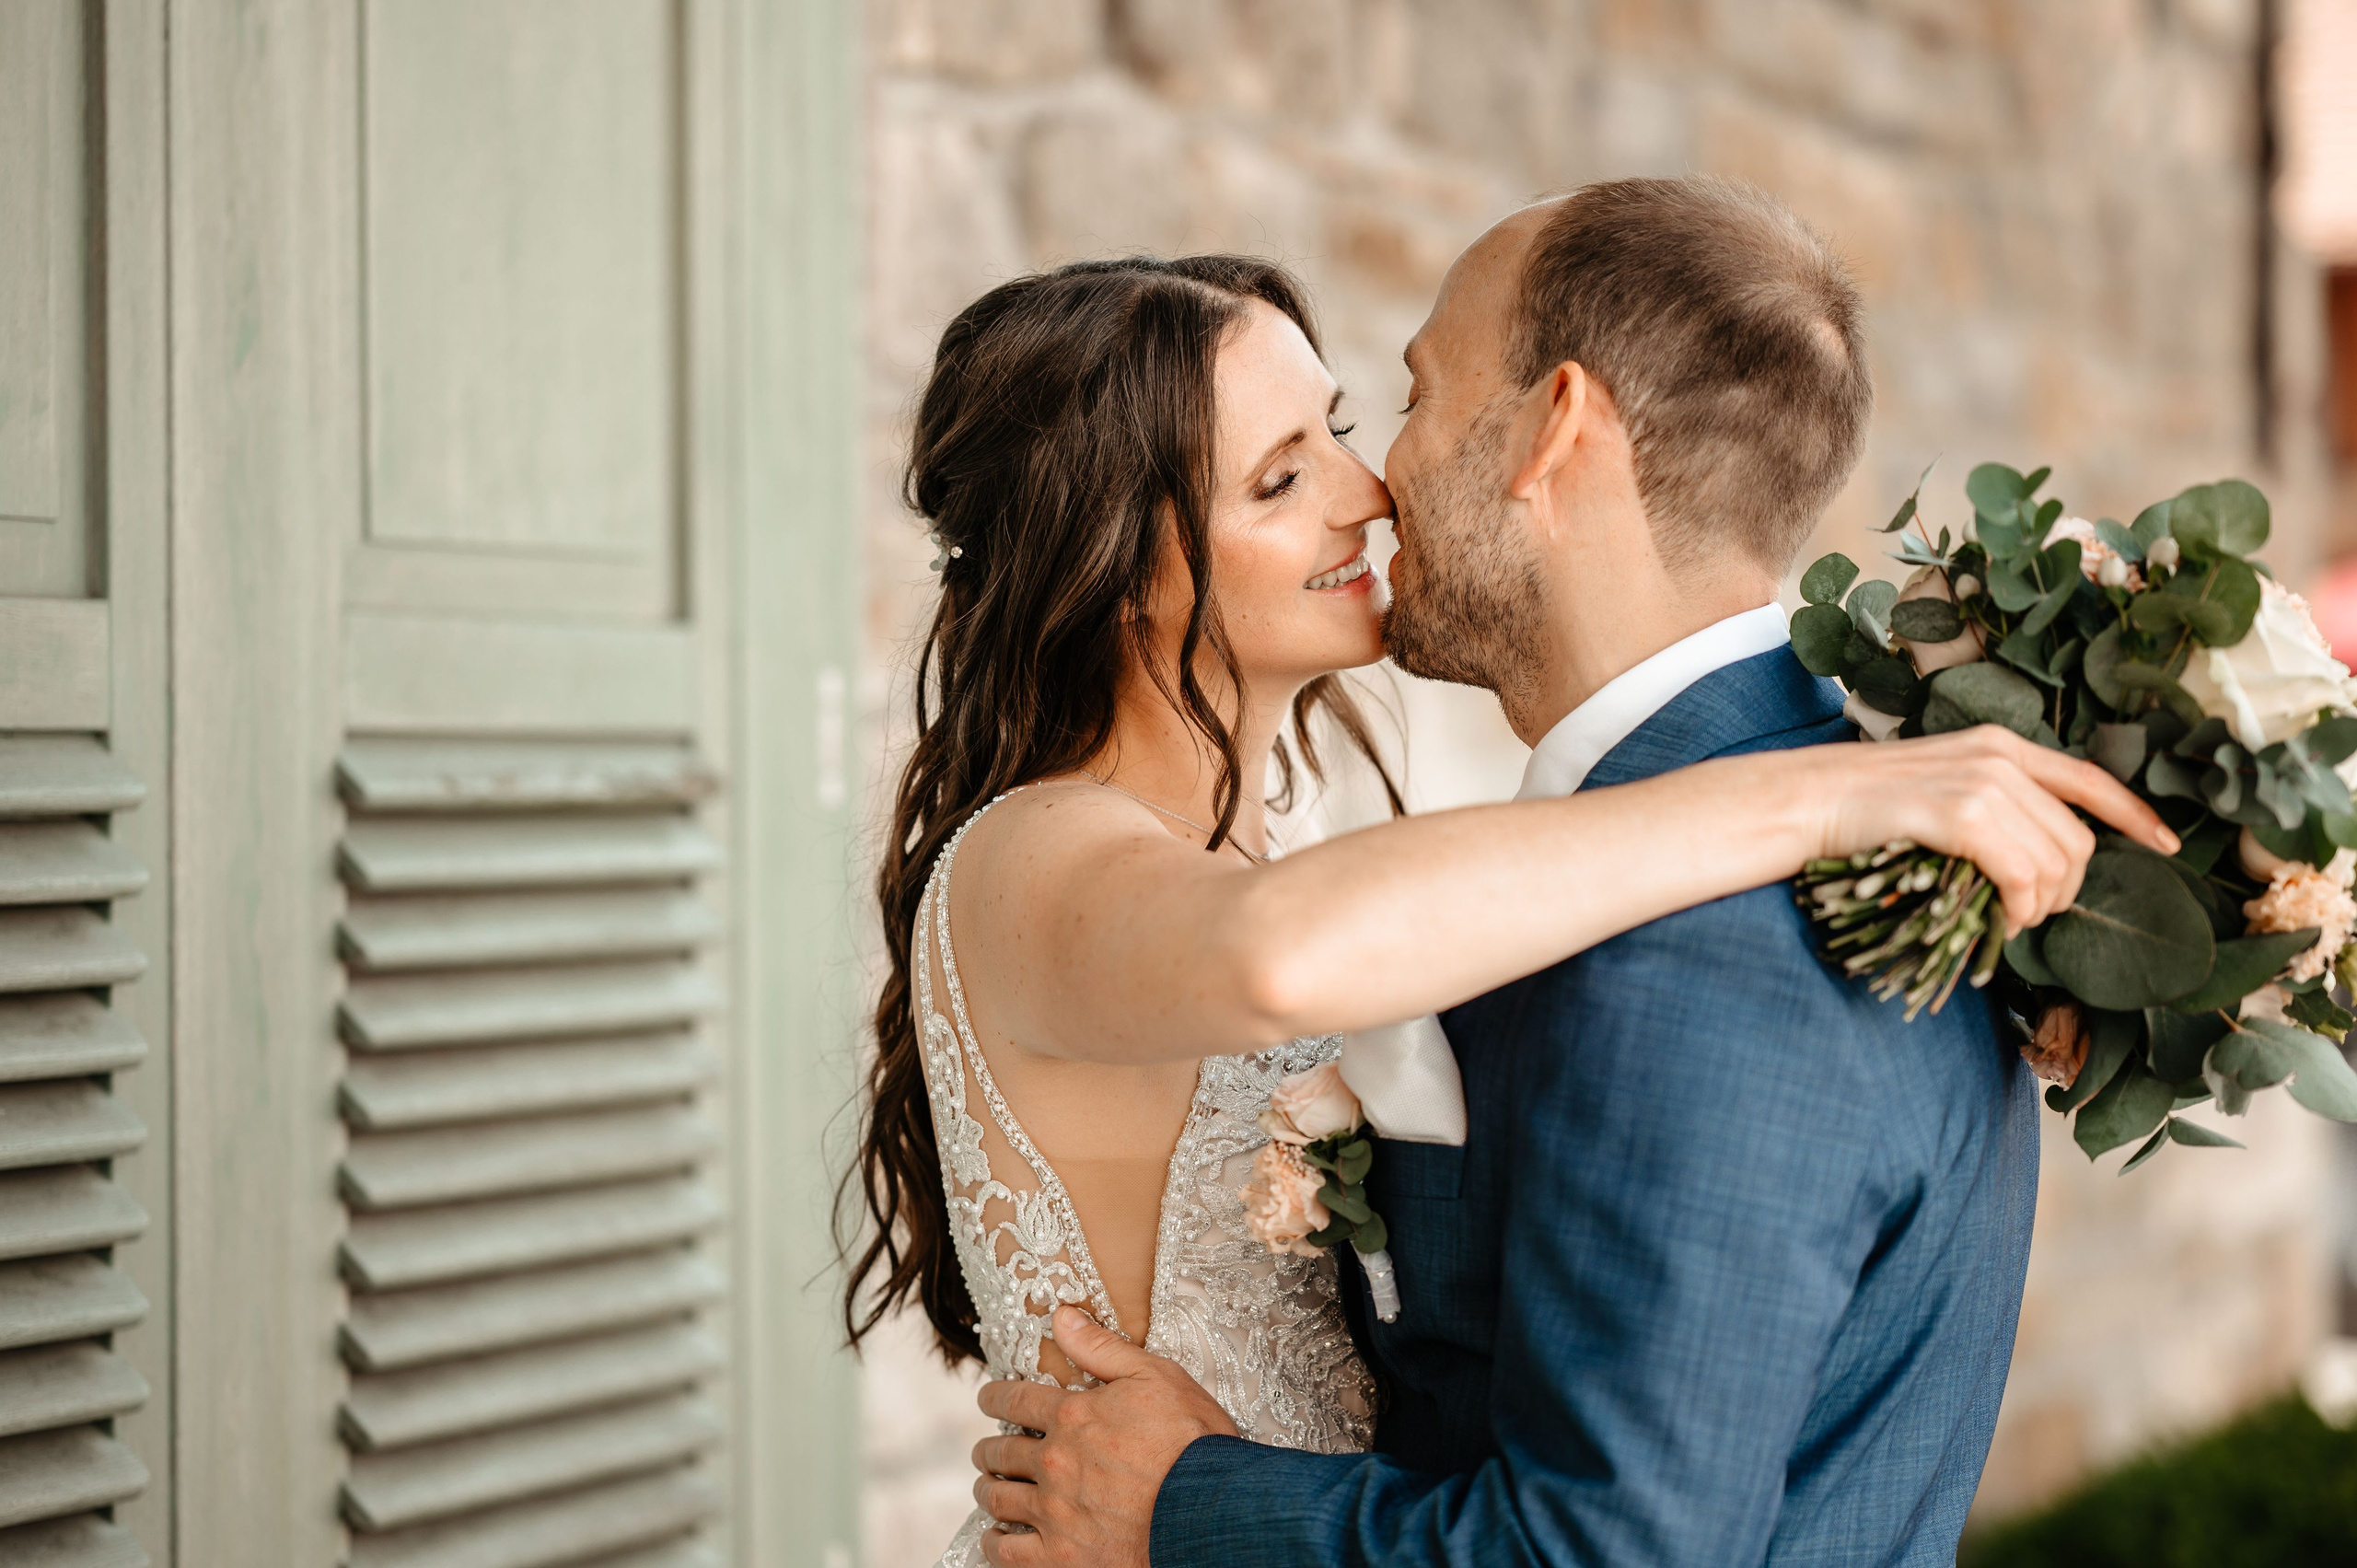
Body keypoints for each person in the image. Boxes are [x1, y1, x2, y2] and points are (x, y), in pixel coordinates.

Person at [850, 187, 2170, 1568]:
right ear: (1118, 565)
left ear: (1555, 428)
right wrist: (1825, 788)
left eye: (1359, 423)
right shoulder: (1040, 856)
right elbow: (1274, 959)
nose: (1370, 489)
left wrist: (1204, 1497)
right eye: (1281, 475)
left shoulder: (1653, 930)